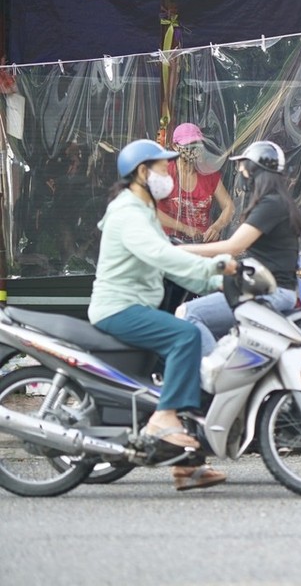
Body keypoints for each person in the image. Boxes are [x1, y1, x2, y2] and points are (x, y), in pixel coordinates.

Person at [89, 139, 237, 491]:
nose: (166, 175)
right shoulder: (129, 213)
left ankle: (188, 467)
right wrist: (217, 263)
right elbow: (163, 256)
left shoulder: (142, 210)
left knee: (183, 370)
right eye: (160, 168)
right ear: (142, 173)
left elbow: (173, 269)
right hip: (119, 308)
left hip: (136, 306)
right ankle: (163, 420)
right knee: (185, 335)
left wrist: (220, 283)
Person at [177, 141, 301, 355]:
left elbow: (234, 246)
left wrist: (181, 251)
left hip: (271, 292)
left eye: (244, 168)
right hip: (264, 286)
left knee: (188, 313)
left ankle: (214, 370)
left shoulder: (271, 204)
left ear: (255, 172)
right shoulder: (277, 202)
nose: (241, 173)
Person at [157, 123, 235, 243]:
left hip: (202, 244)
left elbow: (229, 207)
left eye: (197, 145)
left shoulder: (209, 174)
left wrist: (216, 227)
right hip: (168, 243)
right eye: (188, 145)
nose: (193, 149)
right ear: (175, 146)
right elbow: (149, 209)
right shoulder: (164, 172)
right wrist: (184, 228)